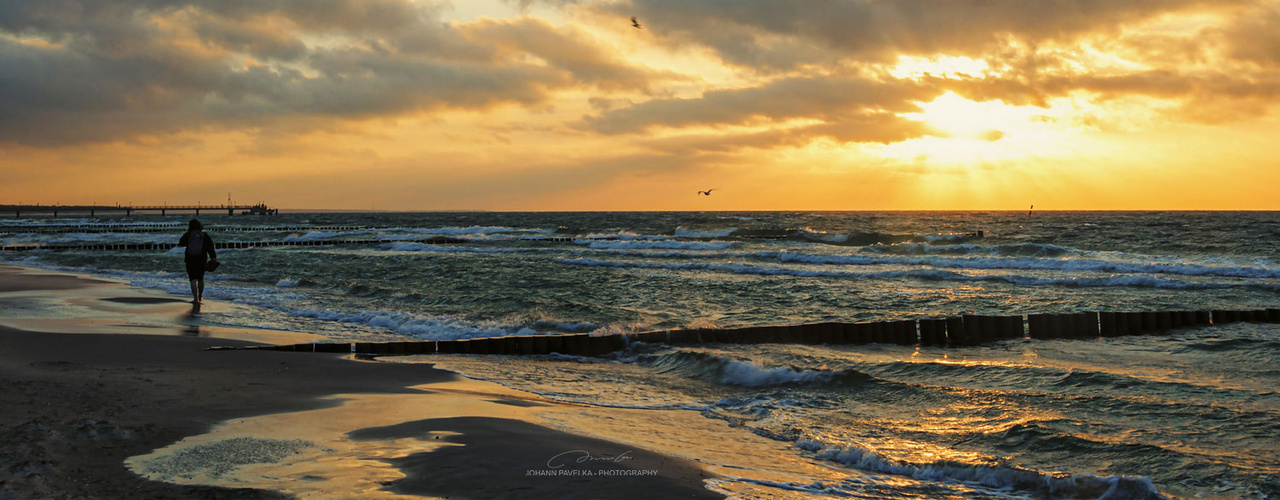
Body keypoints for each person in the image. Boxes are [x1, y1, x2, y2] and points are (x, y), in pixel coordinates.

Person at [178, 219, 216, 303]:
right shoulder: (204, 235)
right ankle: (200, 296)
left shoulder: (188, 235)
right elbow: (210, 247)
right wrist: (213, 257)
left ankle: (195, 298)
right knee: (200, 278)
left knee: (192, 279)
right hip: (202, 259)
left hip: (190, 259)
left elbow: (181, 243)